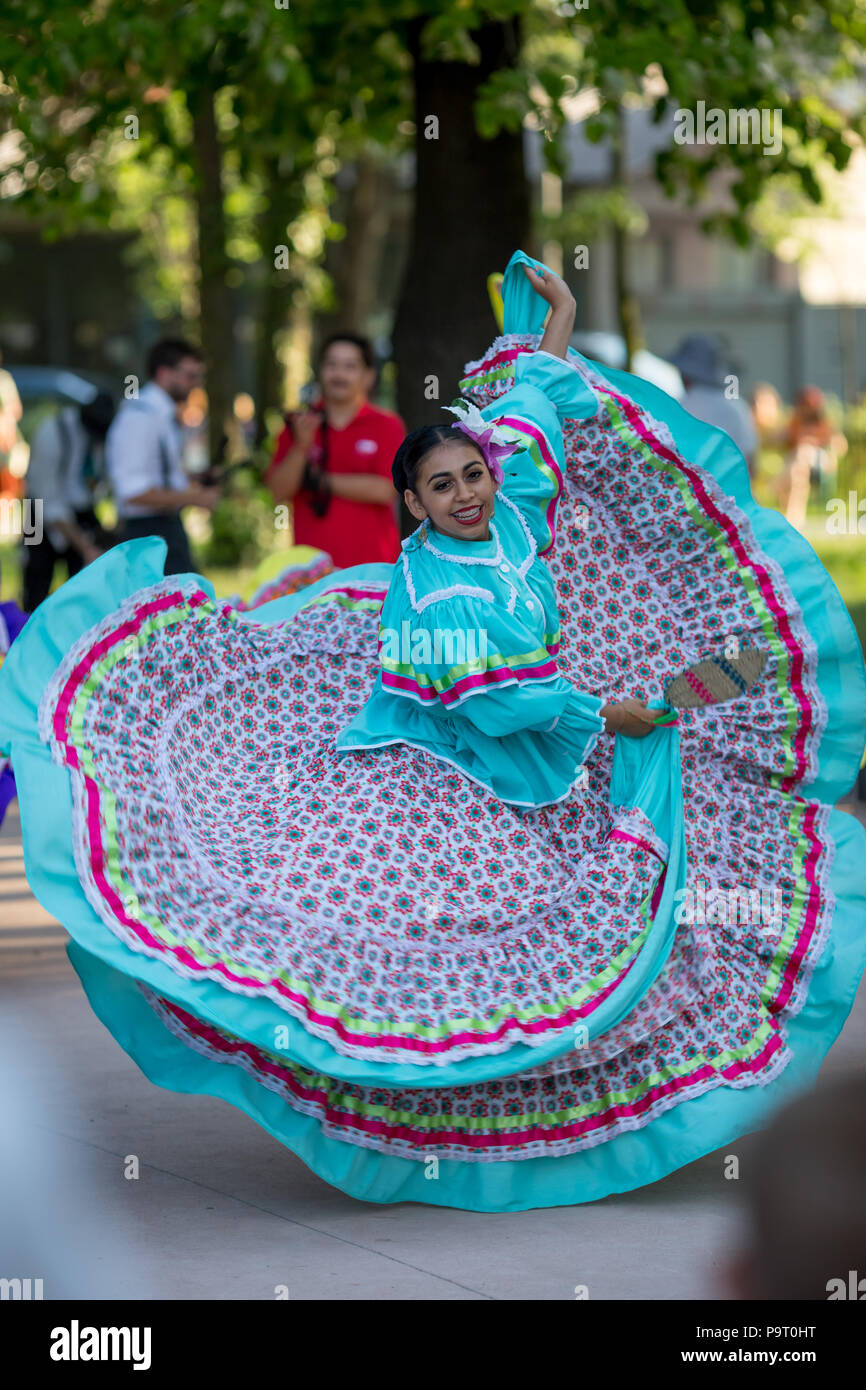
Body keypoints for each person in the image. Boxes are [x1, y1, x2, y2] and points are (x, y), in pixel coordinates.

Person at [1, 249, 864, 1215]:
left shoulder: (508, 514)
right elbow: (496, 696)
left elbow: (532, 414)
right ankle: (422, 1111)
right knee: (431, 949)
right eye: (443, 487)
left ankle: (497, 1103)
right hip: (434, 769)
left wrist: (558, 319)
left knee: (545, 937)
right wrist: (605, 712)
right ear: (411, 506)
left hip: (522, 764)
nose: (466, 494)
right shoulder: (430, 583)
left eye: (472, 475)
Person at [266, 333, 404, 567]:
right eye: (332, 365)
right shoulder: (299, 425)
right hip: (311, 571)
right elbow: (278, 491)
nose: (339, 374)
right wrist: (301, 446)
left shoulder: (387, 425)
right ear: (321, 371)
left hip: (373, 568)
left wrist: (320, 481)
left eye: (350, 366)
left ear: (368, 377)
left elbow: (386, 489)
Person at [106, 338, 219, 575]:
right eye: (190, 376)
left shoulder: (163, 414)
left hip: (167, 527)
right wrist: (193, 498)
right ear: (164, 373)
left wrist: (195, 477)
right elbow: (132, 492)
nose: (196, 384)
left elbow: (162, 473)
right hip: (145, 533)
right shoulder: (139, 417)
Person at [21, 392, 116, 612]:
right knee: (36, 577)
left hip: (80, 506)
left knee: (84, 579)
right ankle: (30, 622)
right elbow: (48, 501)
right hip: (35, 509)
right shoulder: (51, 434)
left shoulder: (103, 437)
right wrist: (85, 546)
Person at [668, 332, 758, 474]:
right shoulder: (738, 406)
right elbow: (751, 464)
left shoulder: (679, 407)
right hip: (731, 490)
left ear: (685, 374)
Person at [781, 385, 846, 530]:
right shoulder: (795, 421)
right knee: (796, 471)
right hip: (797, 462)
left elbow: (840, 445)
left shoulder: (824, 422)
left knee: (802, 456)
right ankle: (794, 515)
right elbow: (786, 441)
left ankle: (793, 516)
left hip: (819, 460)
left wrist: (822, 447)